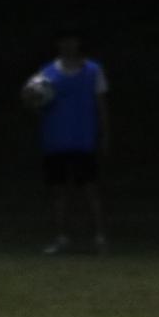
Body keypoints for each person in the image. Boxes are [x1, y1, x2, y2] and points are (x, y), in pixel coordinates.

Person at [26, 29, 110, 254]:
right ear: (59, 44)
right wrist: (34, 101)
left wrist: (103, 133)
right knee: (59, 192)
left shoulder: (93, 70)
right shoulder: (46, 74)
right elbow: (34, 103)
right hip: (55, 141)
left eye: (73, 41)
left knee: (91, 190)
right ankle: (61, 237)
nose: (69, 45)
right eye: (65, 41)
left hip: (84, 140)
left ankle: (99, 237)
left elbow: (101, 105)